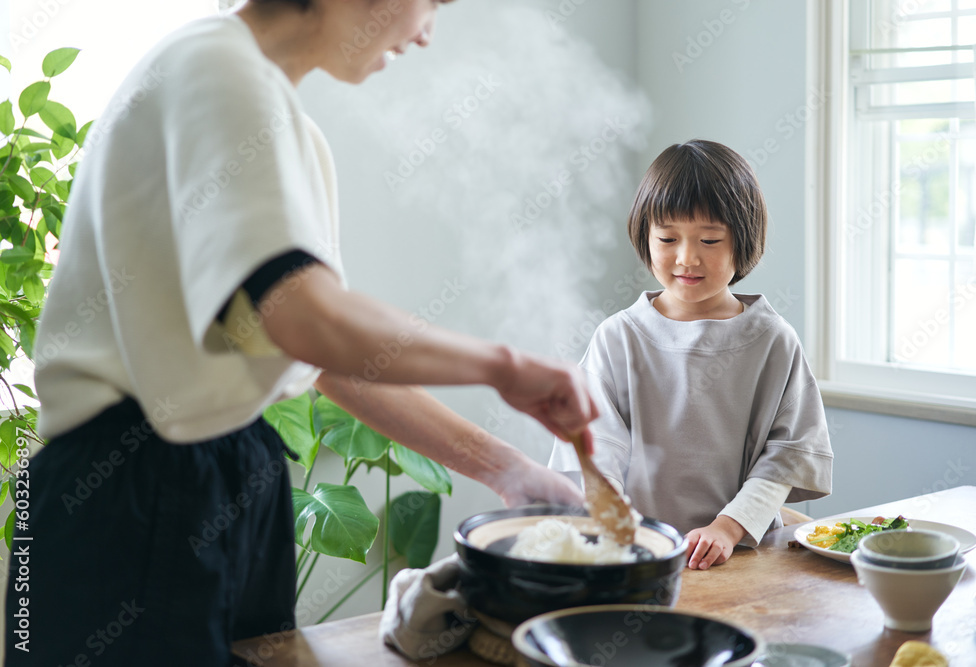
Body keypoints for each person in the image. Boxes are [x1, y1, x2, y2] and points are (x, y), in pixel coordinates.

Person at [7, 1, 597, 665]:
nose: (428, 32)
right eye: (431, 1)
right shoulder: (217, 68)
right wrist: (506, 366)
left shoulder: (273, 115)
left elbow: (314, 352)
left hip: (211, 480)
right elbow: (305, 316)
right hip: (138, 490)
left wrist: (507, 470)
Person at [549, 139, 833, 571]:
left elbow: (789, 452)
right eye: (667, 237)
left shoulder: (772, 339)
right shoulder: (618, 337)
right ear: (644, 235)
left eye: (710, 239)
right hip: (640, 554)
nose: (687, 257)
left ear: (744, 238)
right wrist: (615, 520)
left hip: (744, 553)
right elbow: (592, 444)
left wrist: (728, 526)